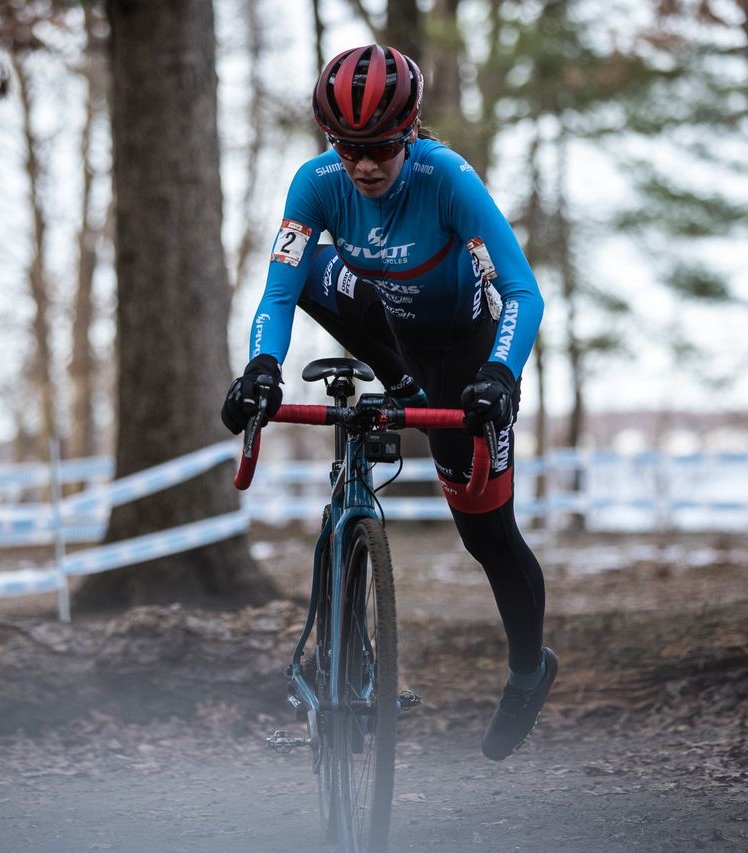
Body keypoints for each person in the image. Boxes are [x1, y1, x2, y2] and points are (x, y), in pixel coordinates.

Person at [221, 44, 556, 761]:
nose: (364, 165)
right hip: (389, 331)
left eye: (378, 149)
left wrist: (500, 375)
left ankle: (530, 669)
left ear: (409, 135)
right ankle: (394, 383)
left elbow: (525, 293)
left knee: (485, 537)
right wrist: (260, 368)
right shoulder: (315, 184)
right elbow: (279, 290)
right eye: (348, 149)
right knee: (309, 264)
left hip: (464, 356)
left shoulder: (448, 180)